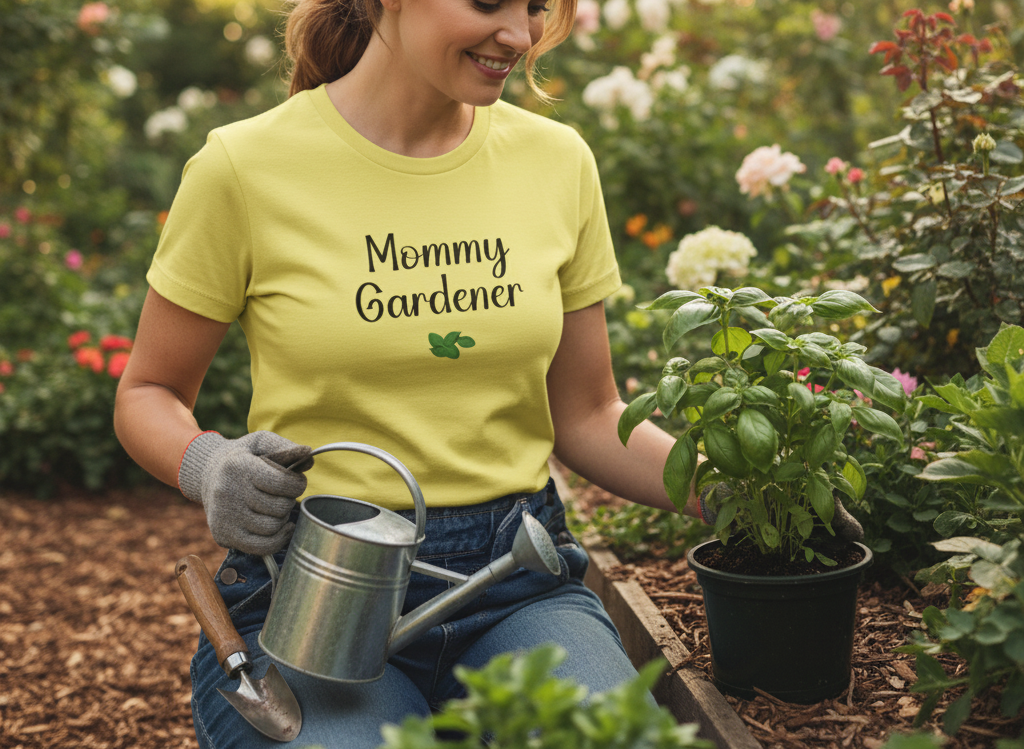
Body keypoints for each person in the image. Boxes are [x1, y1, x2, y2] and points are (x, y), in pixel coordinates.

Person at [113, 0, 700, 746]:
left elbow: (587, 413)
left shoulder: (556, 161)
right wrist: (208, 462)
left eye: (535, 7)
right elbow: (148, 391)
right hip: (313, 591)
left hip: (516, 583)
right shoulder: (244, 166)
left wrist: (733, 493)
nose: (521, 36)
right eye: (489, 2)